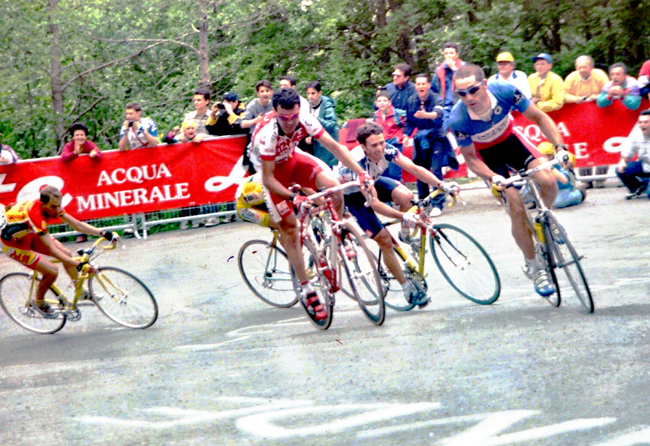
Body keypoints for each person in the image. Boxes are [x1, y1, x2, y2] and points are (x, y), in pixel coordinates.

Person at [251, 88, 371, 321]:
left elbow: (335, 147)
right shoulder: (268, 134)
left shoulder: (305, 118)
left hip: (293, 159)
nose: (290, 122)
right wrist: (293, 197)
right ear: (275, 112)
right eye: (284, 118)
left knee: (333, 185)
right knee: (290, 228)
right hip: (273, 173)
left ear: (299, 111)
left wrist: (361, 173)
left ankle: (337, 230)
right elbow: (268, 179)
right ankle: (306, 289)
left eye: (293, 116)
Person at [449, 64, 566, 297]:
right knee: (516, 207)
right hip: (488, 158)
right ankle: (534, 266)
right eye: (461, 94)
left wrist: (560, 146)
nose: (468, 97)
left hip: (511, 141)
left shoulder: (504, 90)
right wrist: (494, 177)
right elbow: (471, 159)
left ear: (484, 85)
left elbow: (539, 117)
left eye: (472, 90)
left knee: (549, 180)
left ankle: (546, 218)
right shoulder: (458, 118)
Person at [337, 122, 459, 307]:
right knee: (384, 240)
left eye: (382, 143)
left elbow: (415, 169)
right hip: (353, 195)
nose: (380, 149)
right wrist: (403, 217)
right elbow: (375, 203)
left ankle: (405, 235)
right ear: (363, 147)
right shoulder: (356, 165)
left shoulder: (387, 150)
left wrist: (441, 185)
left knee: (407, 197)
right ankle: (407, 288)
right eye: (374, 145)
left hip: (373, 180)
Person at [0, 186, 117, 315]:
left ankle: (81, 291)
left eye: (59, 206)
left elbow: (76, 224)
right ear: (43, 204)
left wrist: (102, 232)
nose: (57, 211)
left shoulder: (51, 206)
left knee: (67, 254)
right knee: (52, 271)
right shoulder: (36, 215)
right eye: (53, 207)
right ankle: (38, 301)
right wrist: (78, 265)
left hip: (26, 232)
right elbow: (52, 249)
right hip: (12, 244)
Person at [405, 73, 457, 215]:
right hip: (421, 138)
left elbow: (438, 114)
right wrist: (405, 135)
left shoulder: (436, 98)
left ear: (428, 85)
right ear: (415, 86)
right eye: (418, 84)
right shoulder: (411, 101)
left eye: (423, 84)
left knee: (436, 169)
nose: (421, 86)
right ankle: (424, 202)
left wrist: (426, 115)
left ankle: (438, 204)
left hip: (436, 137)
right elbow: (409, 121)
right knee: (421, 171)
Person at [537, 142, 587, 208]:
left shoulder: (560, 160)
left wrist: (551, 169)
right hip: (544, 189)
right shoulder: (535, 162)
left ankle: (579, 193)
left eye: (549, 155)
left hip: (562, 188)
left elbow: (565, 180)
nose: (546, 158)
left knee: (558, 202)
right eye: (543, 156)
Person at [616, 110, 650, 199]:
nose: (642, 125)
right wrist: (622, 161)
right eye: (640, 122)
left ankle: (647, 185)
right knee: (622, 169)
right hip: (645, 166)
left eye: (646, 122)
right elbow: (627, 150)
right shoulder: (636, 135)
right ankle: (637, 188)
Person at [305, 80, 340, 167]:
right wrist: (307, 137)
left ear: (319, 93)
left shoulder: (327, 105)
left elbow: (332, 124)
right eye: (308, 93)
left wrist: (317, 119)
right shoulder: (306, 105)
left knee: (326, 168)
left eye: (313, 93)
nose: (310, 96)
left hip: (328, 143)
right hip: (314, 144)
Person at [431, 43, 464, 130]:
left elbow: (465, 83)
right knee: (443, 133)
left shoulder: (464, 67)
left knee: (460, 130)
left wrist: (454, 69)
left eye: (451, 53)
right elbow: (433, 90)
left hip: (461, 104)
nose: (448, 56)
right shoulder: (439, 71)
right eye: (446, 53)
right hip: (445, 107)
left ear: (457, 55)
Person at [373, 90, 405, 180]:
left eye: (384, 100)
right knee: (383, 173)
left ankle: (398, 192)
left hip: (395, 145)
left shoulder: (398, 114)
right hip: (381, 146)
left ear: (389, 102)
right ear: (376, 103)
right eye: (379, 101)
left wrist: (405, 136)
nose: (382, 103)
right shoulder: (375, 115)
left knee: (394, 173)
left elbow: (409, 123)